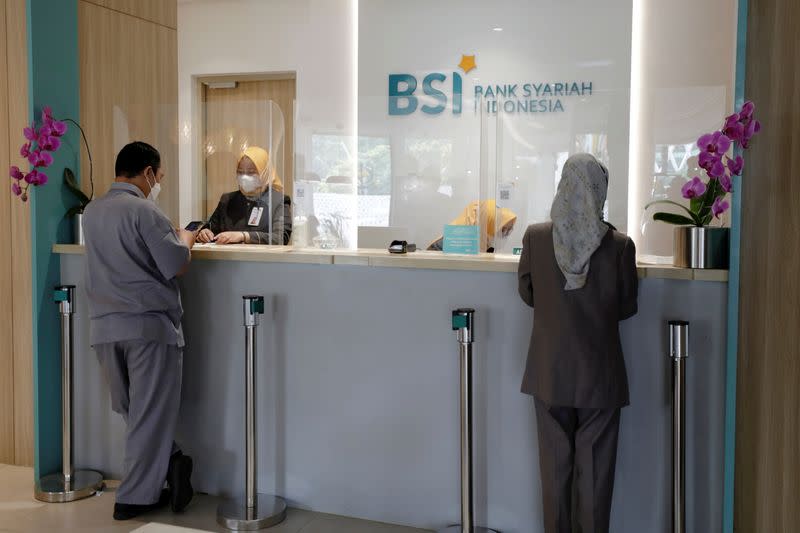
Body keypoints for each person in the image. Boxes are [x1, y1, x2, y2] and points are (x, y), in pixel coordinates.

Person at [517, 153, 638, 533]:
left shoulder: (536, 238)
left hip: (548, 372)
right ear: (599, 190)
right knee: (596, 475)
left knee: (554, 471)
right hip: (599, 375)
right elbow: (627, 306)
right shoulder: (619, 246)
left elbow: (527, 293)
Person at [83, 141, 197, 521]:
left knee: (134, 411)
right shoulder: (144, 210)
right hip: (147, 327)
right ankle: (135, 497)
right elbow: (176, 263)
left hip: (104, 327)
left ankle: (172, 462)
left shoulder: (92, 211)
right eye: (159, 176)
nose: (158, 183)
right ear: (147, 172)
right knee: (148, 412)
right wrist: (187, 237)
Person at [197, 146, 292, 245]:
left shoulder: (278, 201)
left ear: (265, 173)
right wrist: (204, 233)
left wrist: (243, 236)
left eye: (251, 173)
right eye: (240, 172)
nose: (245, 177)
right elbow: (210, 228)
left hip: (260, 259)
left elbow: (280, 238)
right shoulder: (228, 200)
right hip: (226, 259)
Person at [426, 200, 517, 252]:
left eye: (509, 230)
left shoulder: (483, 243)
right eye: (503, 230)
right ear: (487, 224)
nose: (505, 236)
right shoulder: (452, 243)